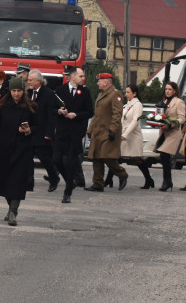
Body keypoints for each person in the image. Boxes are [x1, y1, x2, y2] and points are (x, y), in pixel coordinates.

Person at [0, 76, 37, 226]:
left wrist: (29, 130)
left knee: (17, 182)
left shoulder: (31, 107)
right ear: (10, 91)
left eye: (19, 91)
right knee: (4, 182)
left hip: (22, 150)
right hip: (3, 150)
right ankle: (10, 207)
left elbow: (38, 127)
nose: (16, 94)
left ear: (24, 91)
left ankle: (13, 211)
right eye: (14, 90)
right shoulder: (1, 106)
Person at [51, 67, 93, 203]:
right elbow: (51, 108)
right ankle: (70, 182)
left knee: (69, 162)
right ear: (73, 76)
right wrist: (59, 111)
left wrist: (76, 115)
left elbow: (89, 111)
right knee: (57, 160)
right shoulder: (60, 90)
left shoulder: (85, 92)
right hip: (62, 131)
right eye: (80, 76)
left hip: (75, 132)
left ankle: (67, 192)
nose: (82, 78)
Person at [86, 73, 128, 192]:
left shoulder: (115, 94)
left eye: (99, 81)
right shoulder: (101, 94)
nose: (98, 83)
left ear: (106, 82)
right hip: (98, 131)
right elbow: (97, 115)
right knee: (97, 157)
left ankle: (122, 174)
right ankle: (98, 184)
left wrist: (113, 130)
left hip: (108, 131)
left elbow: (117, 114)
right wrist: (90, 130)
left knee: (107, 157)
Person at [26, 70, 59, 191]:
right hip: (30, 130)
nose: (28, 82)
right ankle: (29, 184)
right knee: (28, 158)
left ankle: (54, 178)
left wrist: (49, 133)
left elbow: (51, 116)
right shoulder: (29, 93)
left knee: (44, 157)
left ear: (38, 81)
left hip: (43, 131)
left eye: (30, 80)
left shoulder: (49, 94)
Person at [153, 81, 185, 192]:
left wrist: (171, 124)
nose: (167, 91)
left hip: (173, 133)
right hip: (164, 133)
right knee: (163, 157)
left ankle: (167, 181)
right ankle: (167, 181)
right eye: (166, 89)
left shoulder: (179, 102)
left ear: (175, 90)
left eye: (170, 89)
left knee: (164, 155)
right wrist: (156, 121)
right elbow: (160, 115)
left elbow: (182, 118)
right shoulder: (165, 101)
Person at [120, 84, 153, 189]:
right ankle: (108, 180)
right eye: (126, 92)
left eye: (128, 92)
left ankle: (149, 179)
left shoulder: (137, 104)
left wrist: (125, 134)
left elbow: (135, 121)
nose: (126, 94)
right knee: (116, 158)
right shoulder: (128, 104)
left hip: (133, 135)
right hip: (125, 134)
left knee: (137, 159)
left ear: (135, 93)